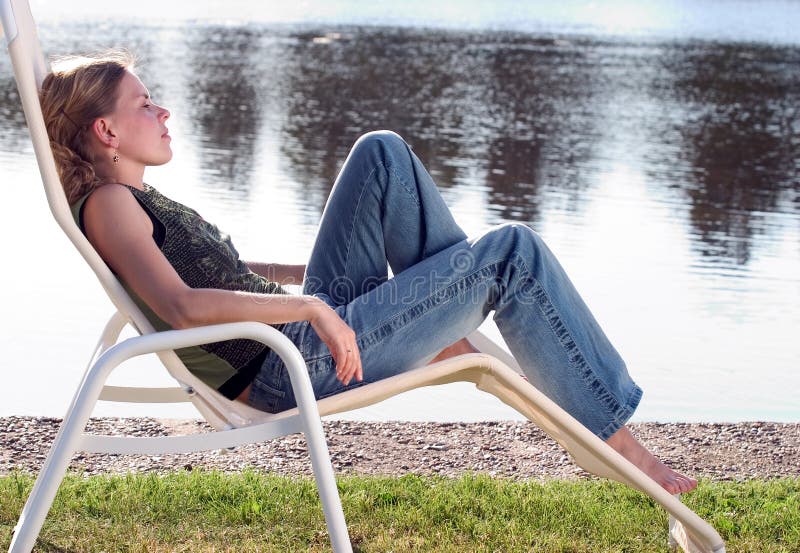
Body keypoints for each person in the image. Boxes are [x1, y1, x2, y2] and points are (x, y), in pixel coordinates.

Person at [40, 51, 696, 494]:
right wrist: (313, 308)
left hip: (297, 339)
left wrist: (311, 281)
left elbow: (231, 275)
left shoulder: (136, 202)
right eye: (145, 104)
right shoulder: (110, 205)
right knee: (510, 254)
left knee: (379, 153)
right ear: (107, 130)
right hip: (288, 366)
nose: (164, 112)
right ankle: (617, 442)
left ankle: (451, 318)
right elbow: (182, 307)